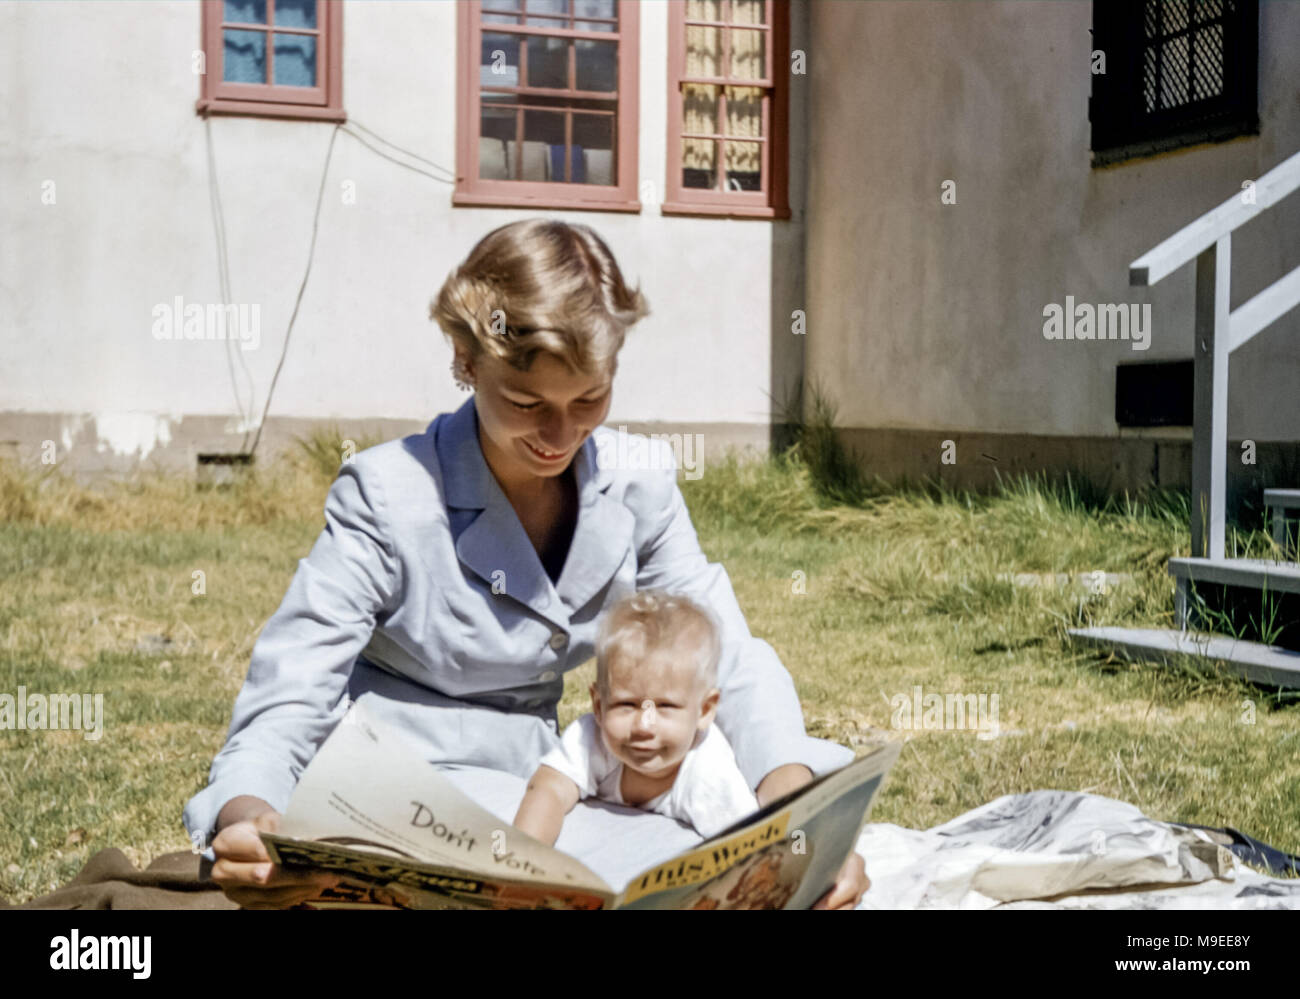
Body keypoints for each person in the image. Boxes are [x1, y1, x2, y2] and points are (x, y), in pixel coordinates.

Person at [185, 218, 867, 909]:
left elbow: (726, 654)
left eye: (589, 399)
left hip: (540, 800)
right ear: (465, 359)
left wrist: (795, 815)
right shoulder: (386, 493)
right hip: (386, 798)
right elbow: (290, 694)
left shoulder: (640, 482)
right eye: (526, 403)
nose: (561, 436)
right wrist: (246, 816)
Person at [513, 589, 758, 844]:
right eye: (627, 704)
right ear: (599, 706)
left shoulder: (710, 775)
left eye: (665, 706)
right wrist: (524, 858)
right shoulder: (590, 740)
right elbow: (548, 789)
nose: (643, 726)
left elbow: (752, 848)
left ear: (704, 711)